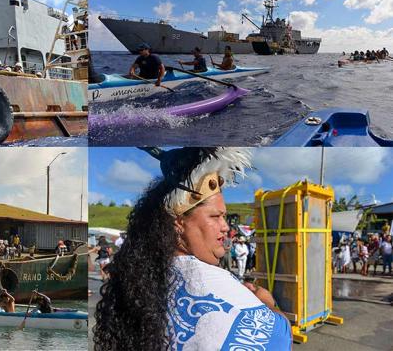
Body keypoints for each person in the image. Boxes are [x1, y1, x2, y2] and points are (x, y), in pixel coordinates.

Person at [93, 147, 291, 350]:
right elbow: (279, 339)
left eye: (224, 217)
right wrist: (268, 303)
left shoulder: (140, 278)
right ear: (178, 223)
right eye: (215, 216)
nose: (225, 226)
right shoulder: (229, 296)